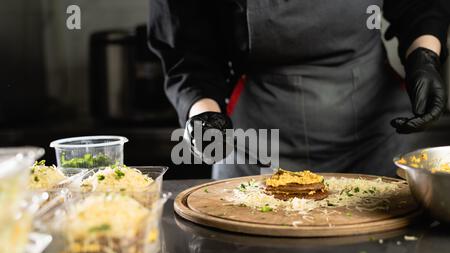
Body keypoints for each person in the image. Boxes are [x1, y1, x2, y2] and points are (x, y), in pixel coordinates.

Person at [148, 0, 450, 178]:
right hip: (255, 152)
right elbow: (187, 49)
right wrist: (204, 115)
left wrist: (424, 58)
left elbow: (420, 5)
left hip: (377, 143)